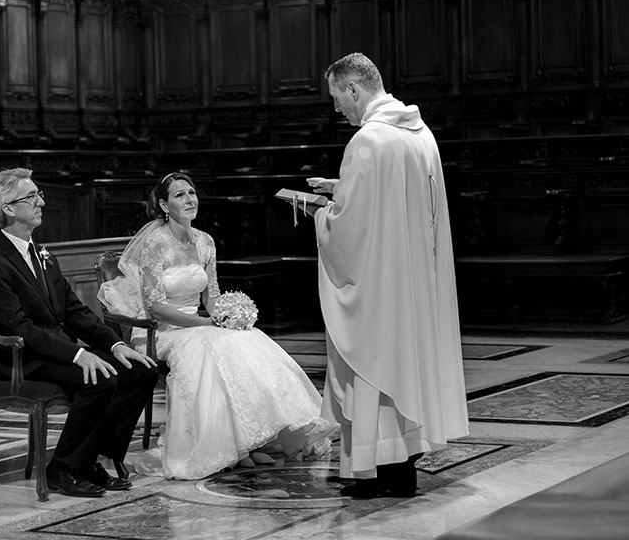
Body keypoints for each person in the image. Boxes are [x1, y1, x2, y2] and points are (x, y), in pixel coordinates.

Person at [98, 172, 336, 480]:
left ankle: (253, 440)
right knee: (208, 350)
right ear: (163, 205)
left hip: (199, 324)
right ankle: (221, 447)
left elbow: (211, 296)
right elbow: (156, 306)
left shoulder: (205, 241)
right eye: (179, 195)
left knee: (249, 340)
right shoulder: (154, 245)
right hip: (161, 330)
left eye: (192, 193)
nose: (189, 200)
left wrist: (228, 317)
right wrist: (206, 322)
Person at [305, 52, 469, 498]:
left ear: (354, 89)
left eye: (337, 97)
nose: (337, 107)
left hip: (380, 286)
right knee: (406, 366)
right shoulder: (421, 134)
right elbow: (403, 202)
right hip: (414, 282)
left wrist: (322, 212)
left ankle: (372, 473)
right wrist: (340, 188)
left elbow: (352, 228)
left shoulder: (368, 141)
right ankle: (402, 470)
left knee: (373, 366)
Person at [0, 168, 160, 498]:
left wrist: (114, 345)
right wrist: (77, 353)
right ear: (9, 209)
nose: (41, 201)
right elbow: (18, 327)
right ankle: (61, 467)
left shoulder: (43, 255)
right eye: (32, 196)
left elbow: (74, 311)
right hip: (21, 360)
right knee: (100, 379)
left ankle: (85, 460)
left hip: (52, 352)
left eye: (39, 194)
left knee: (141, 371)